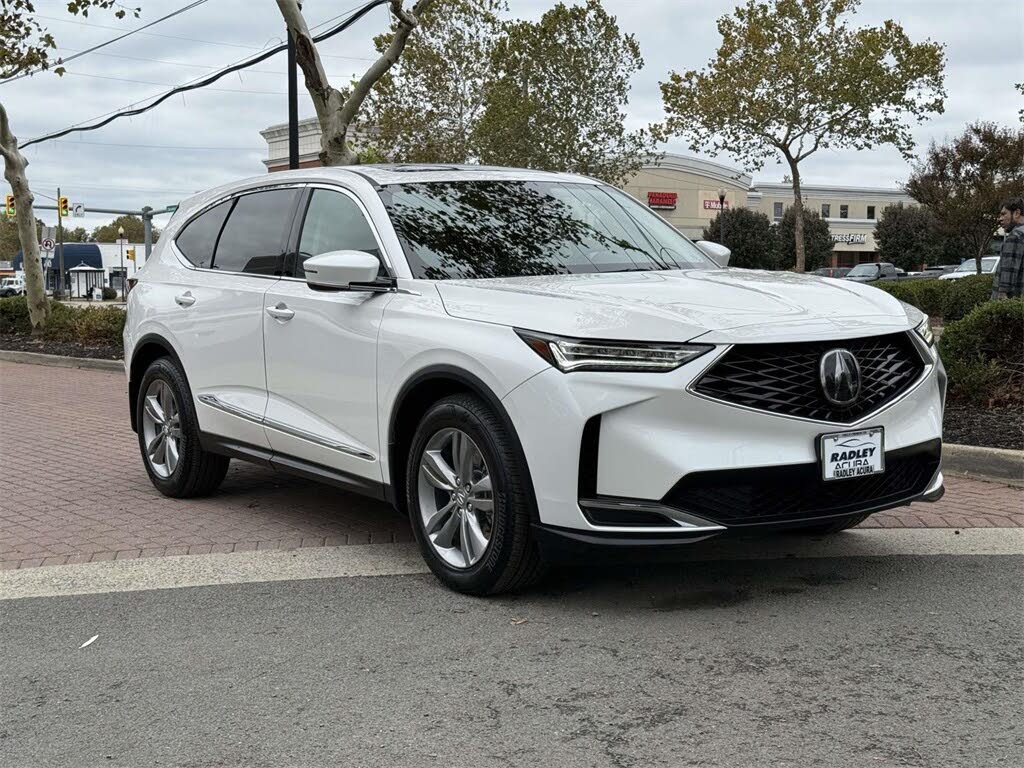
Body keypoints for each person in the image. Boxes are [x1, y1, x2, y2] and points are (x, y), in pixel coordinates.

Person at [992, 197, 1024, 300]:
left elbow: (1008, 270)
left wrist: (1002, 296)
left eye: (1003, 214)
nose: (1000, 219)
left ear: (1016, 213)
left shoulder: (1015, 236)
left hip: (1014, 301)